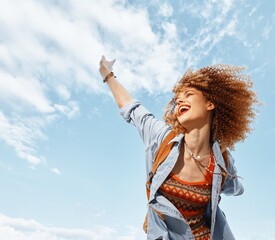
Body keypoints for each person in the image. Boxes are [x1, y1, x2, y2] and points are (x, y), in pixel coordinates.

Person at [99, 56, 259, 240]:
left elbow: (236, 188)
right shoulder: (162, 138)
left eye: (188, 94)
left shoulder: (221, 160)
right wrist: (107, 75)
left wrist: (230, 184)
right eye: (177, 99)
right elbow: (132, 108)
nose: (180, 101)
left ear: (210, 103)